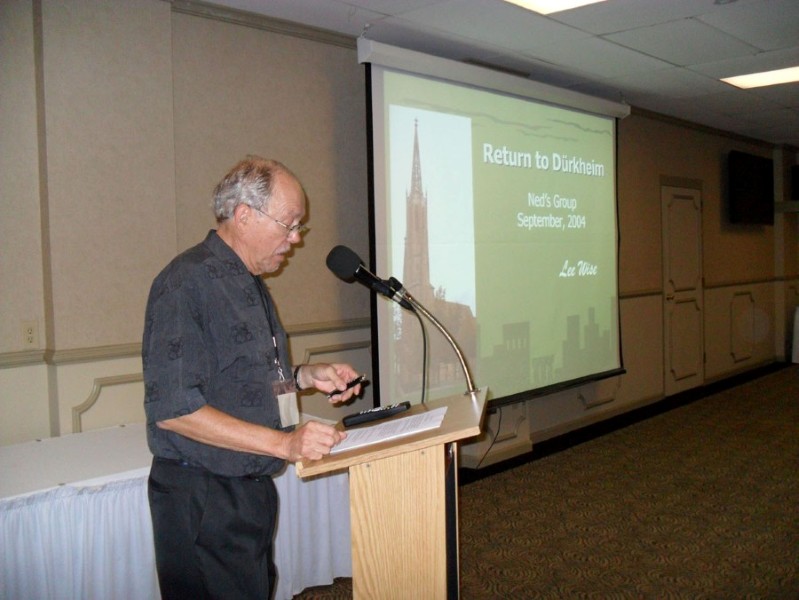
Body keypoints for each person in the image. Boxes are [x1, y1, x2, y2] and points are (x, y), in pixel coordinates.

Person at [142, 156, 361, 599]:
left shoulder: (248, 283)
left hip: (247, 492)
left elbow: (248, 377)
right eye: (289, 224)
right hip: (203, 497)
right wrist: (284, 443)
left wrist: (305, 376)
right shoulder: (185, 283)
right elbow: (174, 410)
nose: (296, 239)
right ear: (244, 215)